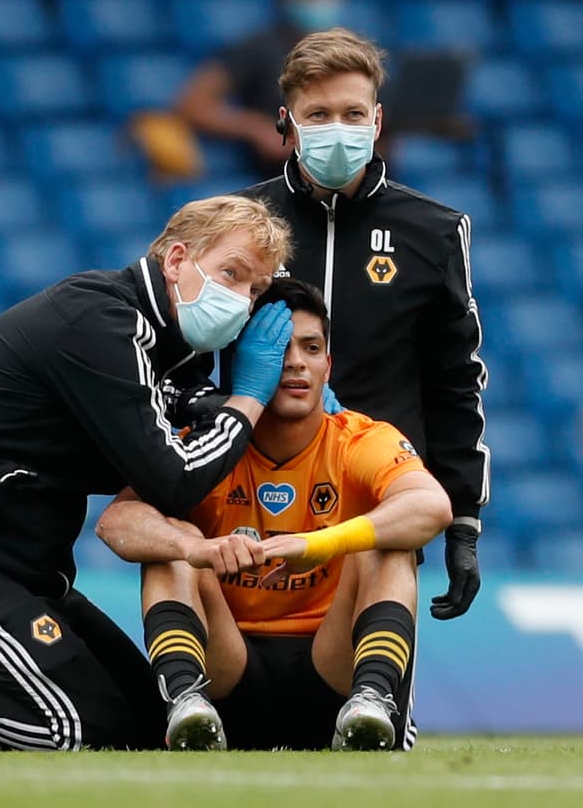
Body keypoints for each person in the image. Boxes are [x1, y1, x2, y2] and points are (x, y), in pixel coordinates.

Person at [0, 195, 294, 751]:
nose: (240, 301)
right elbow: (173, 477)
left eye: (256, 290)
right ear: (175, 261)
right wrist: (250, 399)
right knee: (72, 729)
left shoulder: (175, 348)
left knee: (148, 724)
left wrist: (294, 407)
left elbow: (198, 412)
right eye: (232, 274)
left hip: (29, 576)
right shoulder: (101, 323)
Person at [97, 279, 452, 751]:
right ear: (246, 362)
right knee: (170, 542)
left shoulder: (360, 439)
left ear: (329, 365)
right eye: (279, 348)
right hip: (229, 667)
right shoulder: (205, 443)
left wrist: (319, 544)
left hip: (333, 668)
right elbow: (115, 522)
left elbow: (432, 506)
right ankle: (185, 701)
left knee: (387, 544)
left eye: (311, 347)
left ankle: (371, 701)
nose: (296, 362)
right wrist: (197, 547)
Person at [232, 27, 488, 622]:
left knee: (375, 699)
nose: (337, 128)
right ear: (286, 123)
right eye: (317, 113)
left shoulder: (435, 230)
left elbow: (456, 381)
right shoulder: (238, 226)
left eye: (351, 113)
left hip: (380, 494)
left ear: (376, 122)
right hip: (256, 494)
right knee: (256, 697)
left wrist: (464, 520)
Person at [175, 0, 348, 175]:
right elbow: (193, 104)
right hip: (284, 181)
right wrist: (254, 127)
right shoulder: (258, 48)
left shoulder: (353, 52)